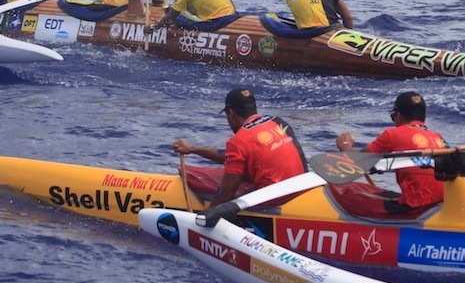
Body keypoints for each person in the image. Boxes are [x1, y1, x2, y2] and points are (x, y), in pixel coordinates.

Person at [173, 88, 308, 207]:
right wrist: (193, 149)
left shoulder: (239, 140)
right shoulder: (277, 122)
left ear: (231, 113)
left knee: (190, 173)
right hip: (301, 188)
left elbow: (226, 194)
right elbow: (231, 157)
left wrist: (202, 221)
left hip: (274, 200)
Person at [335, 91, 447, 212]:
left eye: (393, 117)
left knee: (343, 194)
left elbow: (355, 160)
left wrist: (345, 145)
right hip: (441, 202)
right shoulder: (438, 138)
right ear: (424, 117)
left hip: (415, 207)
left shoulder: (393, 134)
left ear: (398, 116)